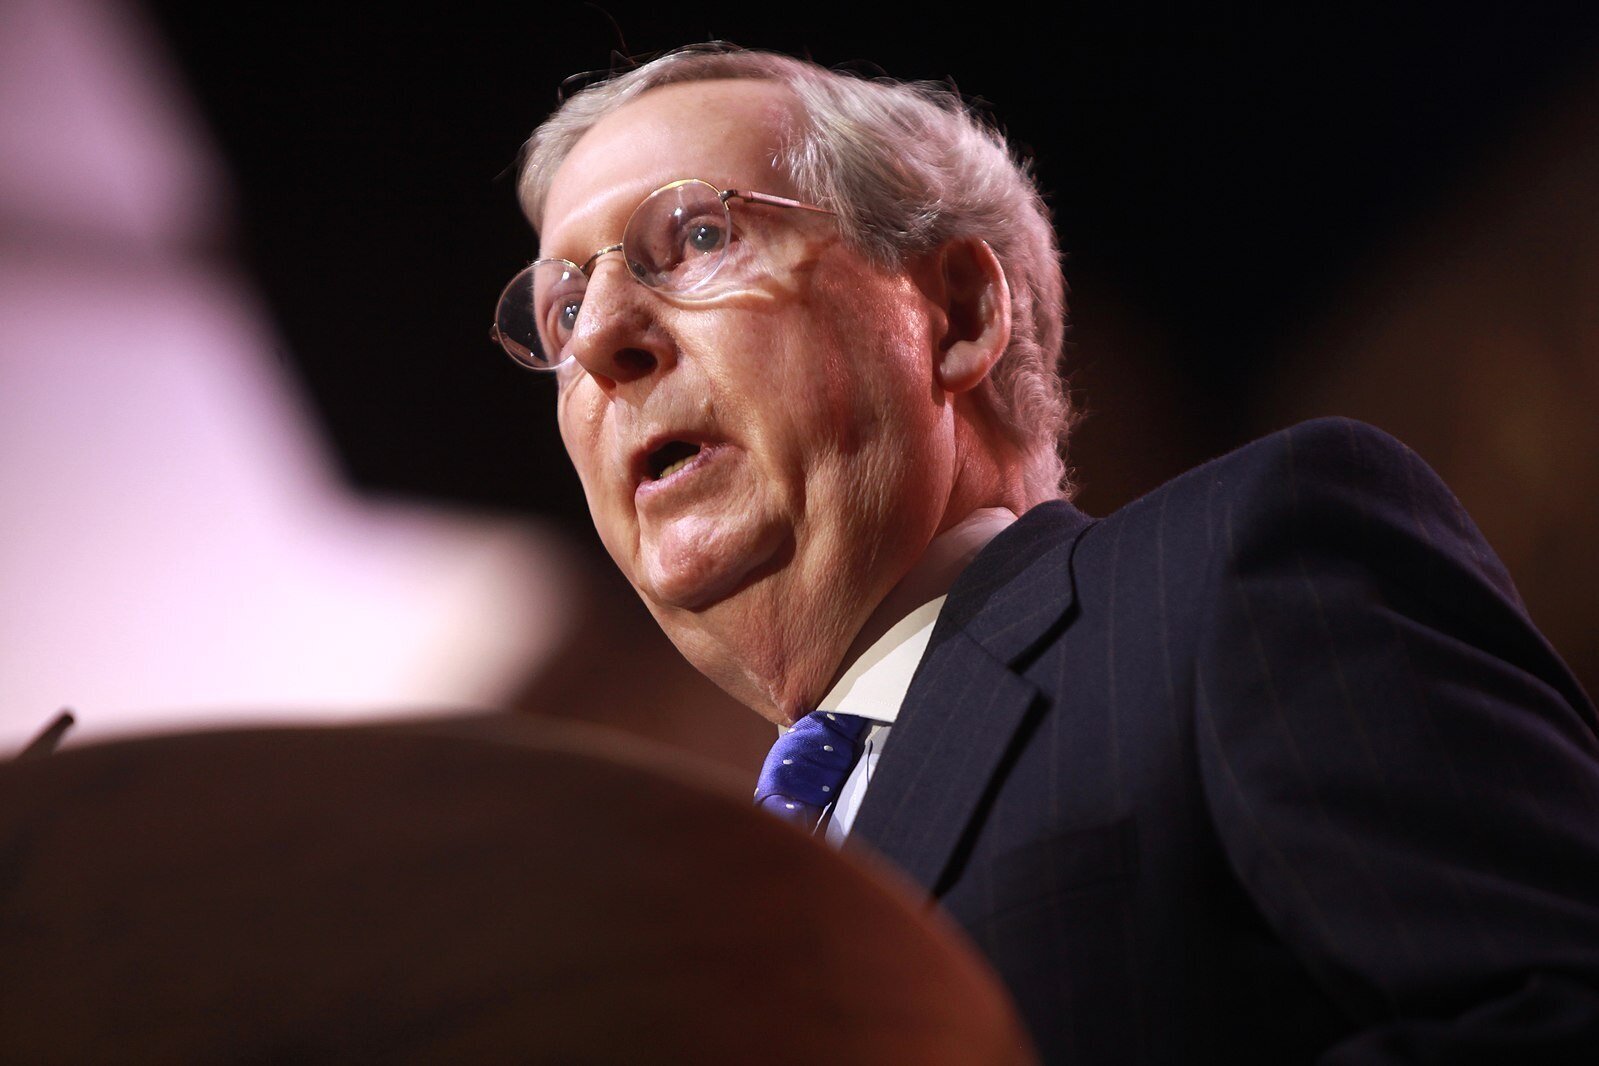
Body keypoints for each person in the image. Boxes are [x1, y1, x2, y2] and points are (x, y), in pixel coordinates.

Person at [492, 44, 1599, 1062]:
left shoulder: (1233, 573)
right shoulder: (704, 928)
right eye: (565, 304)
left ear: (961, 312)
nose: (597, 339)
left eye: (696, 236)